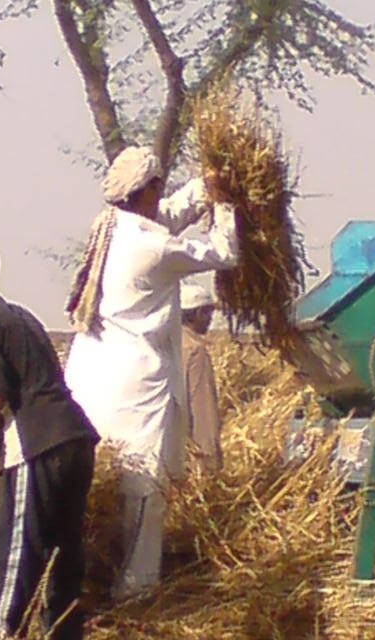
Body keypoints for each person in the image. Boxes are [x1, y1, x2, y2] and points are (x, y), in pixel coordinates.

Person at [64, 145, 239, 600]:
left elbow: (165, 215)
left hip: (90, 379)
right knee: (144, 492)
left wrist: (207, 184)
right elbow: (225, 252)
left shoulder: (109, 228)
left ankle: (85, 579)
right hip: (135, 384)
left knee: (95, 488)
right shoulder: (151, 247)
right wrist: (224, 203)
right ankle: (136, 592)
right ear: (152, 188)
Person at [0, 235, 99, 640]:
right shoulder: (18, 315)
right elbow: (28, 384)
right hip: (74, 440)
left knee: (13, 554)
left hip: (37, 446)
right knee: (60, 556)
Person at [181, 278, 223, 471]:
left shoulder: (165, 344)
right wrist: (209, 464)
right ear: (198, 313)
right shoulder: (195, 351)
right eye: (208, 312)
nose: (211, 319)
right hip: (187, 457)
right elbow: (202, 410)